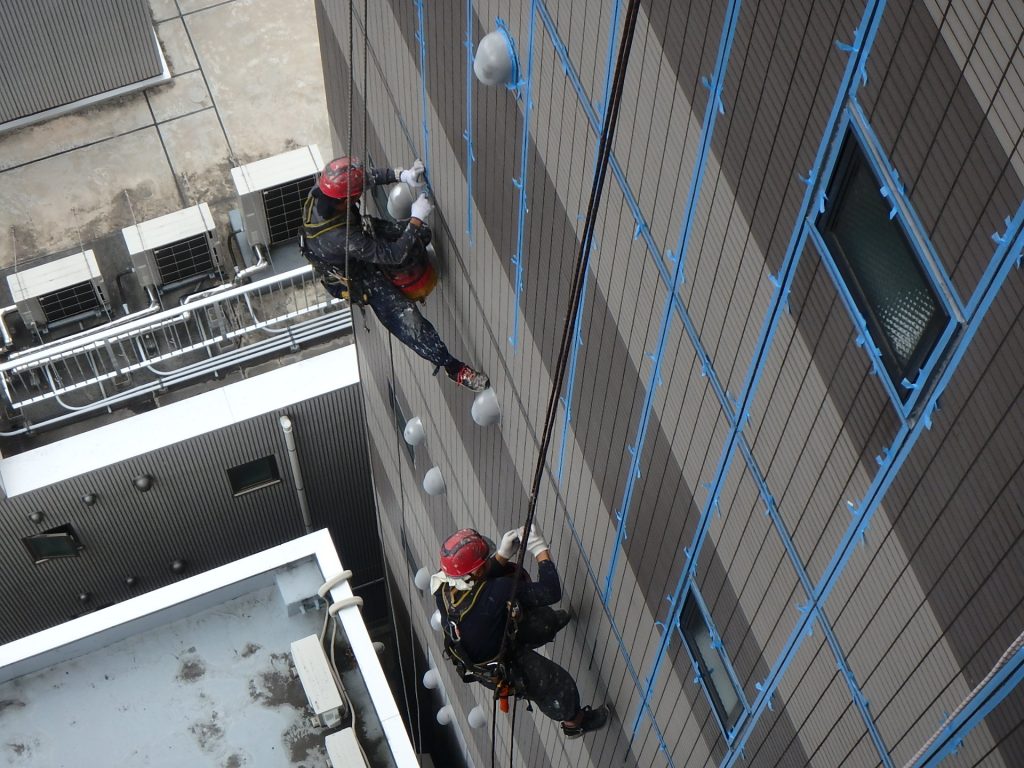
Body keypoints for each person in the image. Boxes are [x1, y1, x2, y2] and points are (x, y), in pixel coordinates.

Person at [301, 156, 489, 392]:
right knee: (408, 320)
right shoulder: (341, 237)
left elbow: (365, 178)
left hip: (357, 241)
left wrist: (400, 175)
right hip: (355, 274)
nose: (359, 192)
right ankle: (454, 367)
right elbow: (393, 255)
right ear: (346, 199)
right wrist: (415, 218)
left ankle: (415, 240)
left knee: (422, 235)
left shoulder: (326, 189)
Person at [432, 525, 609, 738]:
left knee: (543, 620)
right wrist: (539, 547)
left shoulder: (443, 588)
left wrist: (501, 557)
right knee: (558, 688)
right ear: (477, 570)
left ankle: (550, 623)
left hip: (490, 640)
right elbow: (551, 591)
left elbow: (479, 589)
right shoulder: (497, 592)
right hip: (503, 664)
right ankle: (575, 724)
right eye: (487, 559)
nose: (490, 559)